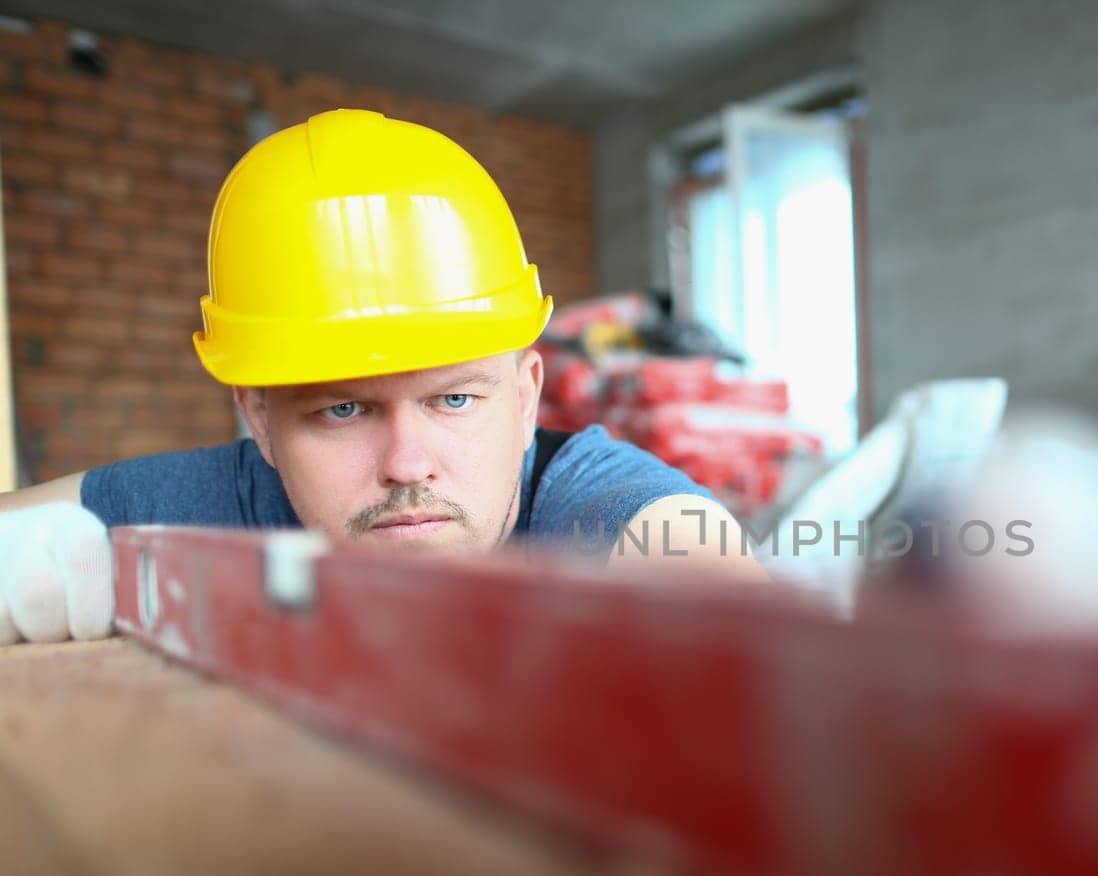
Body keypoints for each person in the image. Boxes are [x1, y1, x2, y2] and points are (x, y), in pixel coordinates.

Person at [0, 109, 764, 645]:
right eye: (342, 411)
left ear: (528, 395)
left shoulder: (587, 498)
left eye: (455, 398)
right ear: (259, 420)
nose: (407, 463)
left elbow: (705, 576)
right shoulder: (233, 500)